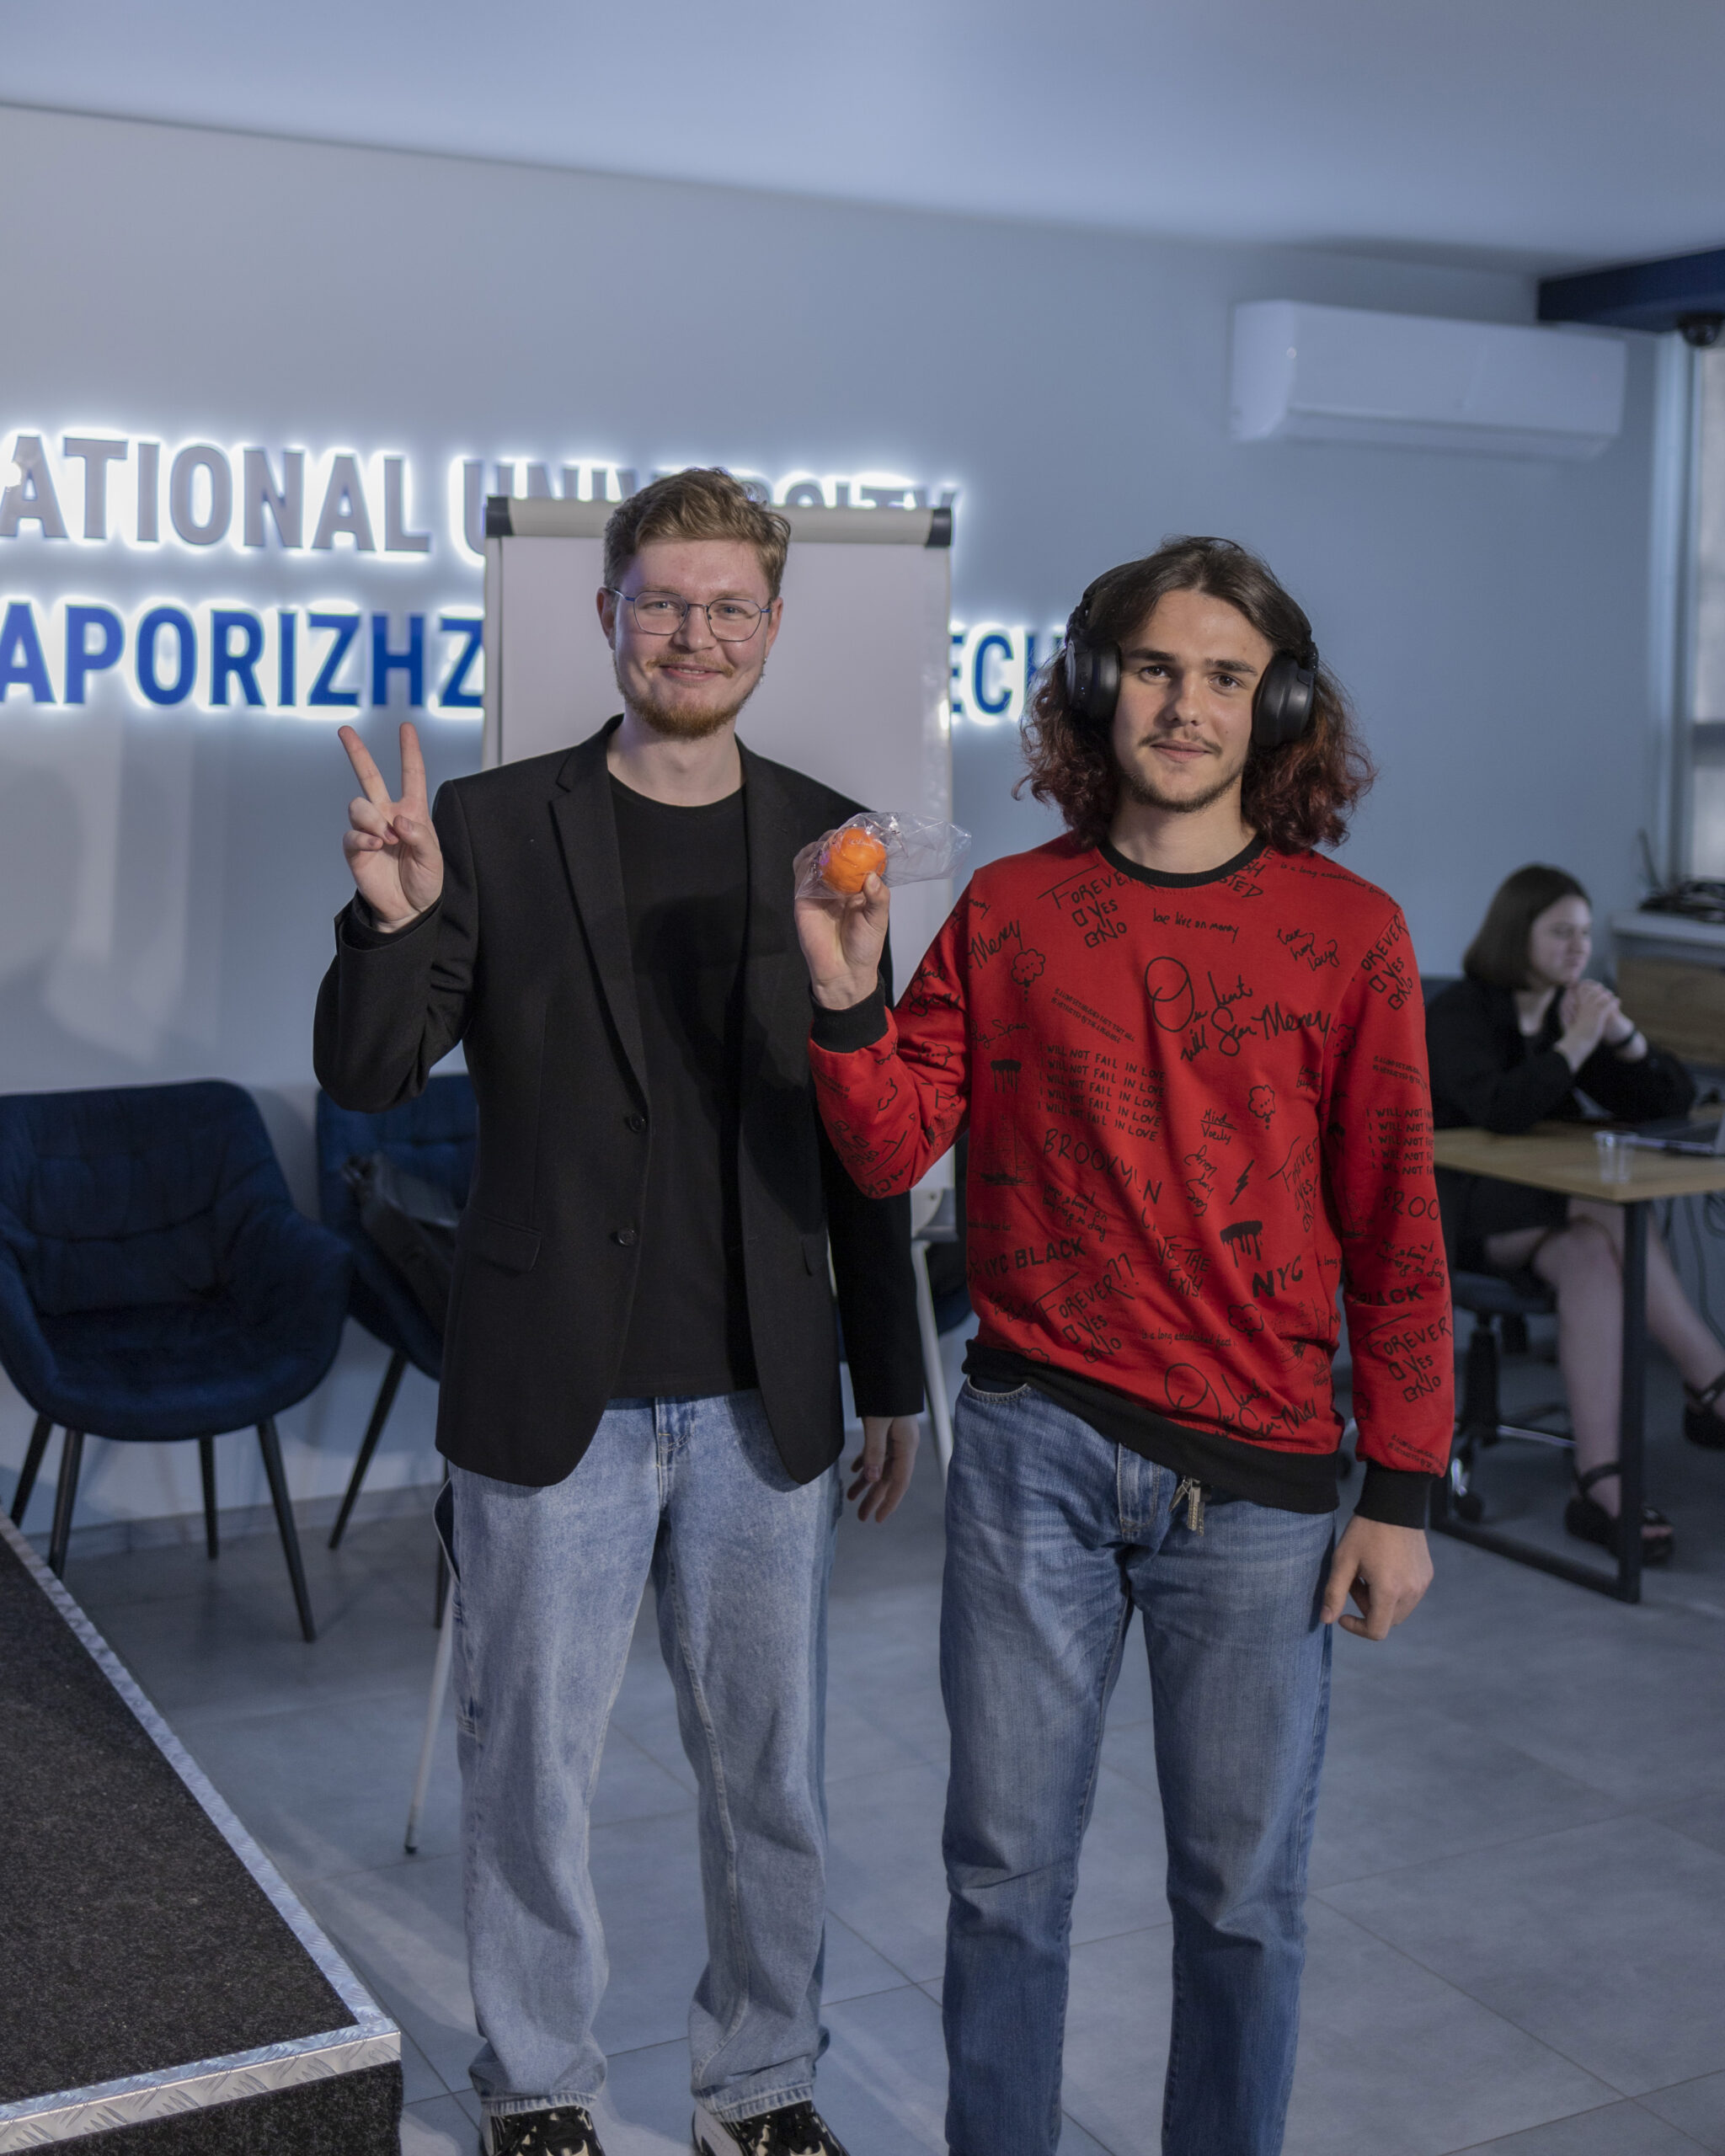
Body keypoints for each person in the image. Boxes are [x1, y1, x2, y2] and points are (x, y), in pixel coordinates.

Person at [794, 536, 1449, 2156]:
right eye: (1154, 668)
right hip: (1033, 1454)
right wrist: (846, 1000)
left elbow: (1394, 1222)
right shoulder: (1012, 911)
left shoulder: (1350, 932)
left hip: (1263, 1488)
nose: (1184, 705)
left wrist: (1400, 1490)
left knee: (1240, 1901)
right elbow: (887, 1151)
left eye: (1225, 676)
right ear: (1097, 686)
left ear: (1275, 708)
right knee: (1001, 1883)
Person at [314, 468, 924, 2156]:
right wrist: (391, 920)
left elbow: (860, 1126)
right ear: (606, 613)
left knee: (771, 1778)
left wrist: (888, 1369)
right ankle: (540, 2083)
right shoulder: (493, 825)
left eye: (728, 606)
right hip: (550, 1390)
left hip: (761, 1398)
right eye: (663, 601)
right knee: (531, 1774)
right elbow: (367, 1072)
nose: (693, 633)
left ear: (773, 625)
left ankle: (761, 2081)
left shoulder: (832, 834)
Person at [1426, 864, 1725, 1564]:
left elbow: (1666, 1103)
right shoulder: (1460, 1013)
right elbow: (1501, 1109)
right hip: (1462, 1215)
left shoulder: (1573, 1012)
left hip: (1549, 1217)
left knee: (1593, 1253)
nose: (1579, 948)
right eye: (1561, 932)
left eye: (1586, 933)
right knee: (1602, 1205)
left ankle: (1598, 1482)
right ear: (1516, 933)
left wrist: (1624, 1038)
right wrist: (1576, 1045)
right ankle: (1709, 1377)